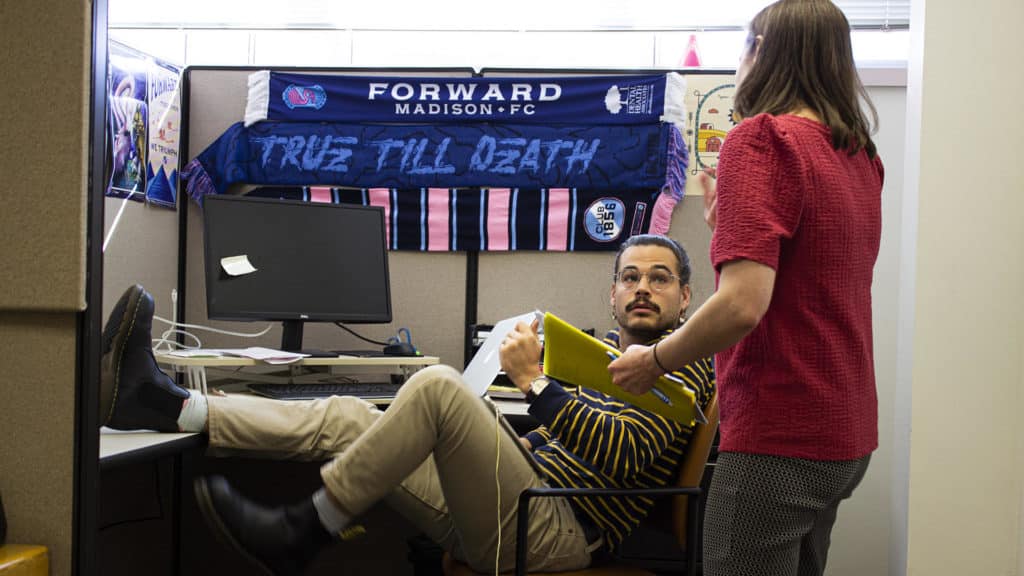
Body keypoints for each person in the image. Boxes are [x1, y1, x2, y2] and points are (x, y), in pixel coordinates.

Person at [100, 233, 714, 576]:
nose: (642, 288)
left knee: (437, 386)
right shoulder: (605, 354)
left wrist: (533, 384)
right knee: (353, 418)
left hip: (556, 535)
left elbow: (628, 455)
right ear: (612, 294)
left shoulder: (685, 361)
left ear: (685, 298)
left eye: (659, 278)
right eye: (630, 277)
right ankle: (168, 406)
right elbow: (575, 442)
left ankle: (303, 530)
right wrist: (523, 434)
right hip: (523, 506)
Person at [608, 2, 884, 575]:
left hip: (778, 435)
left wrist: (653, 361)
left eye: (743, 47)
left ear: (760, 50)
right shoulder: (859, 154)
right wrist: (728, 227)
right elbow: (813, 270)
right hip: (845, 428)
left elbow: (742, 304)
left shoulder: (762, 141)